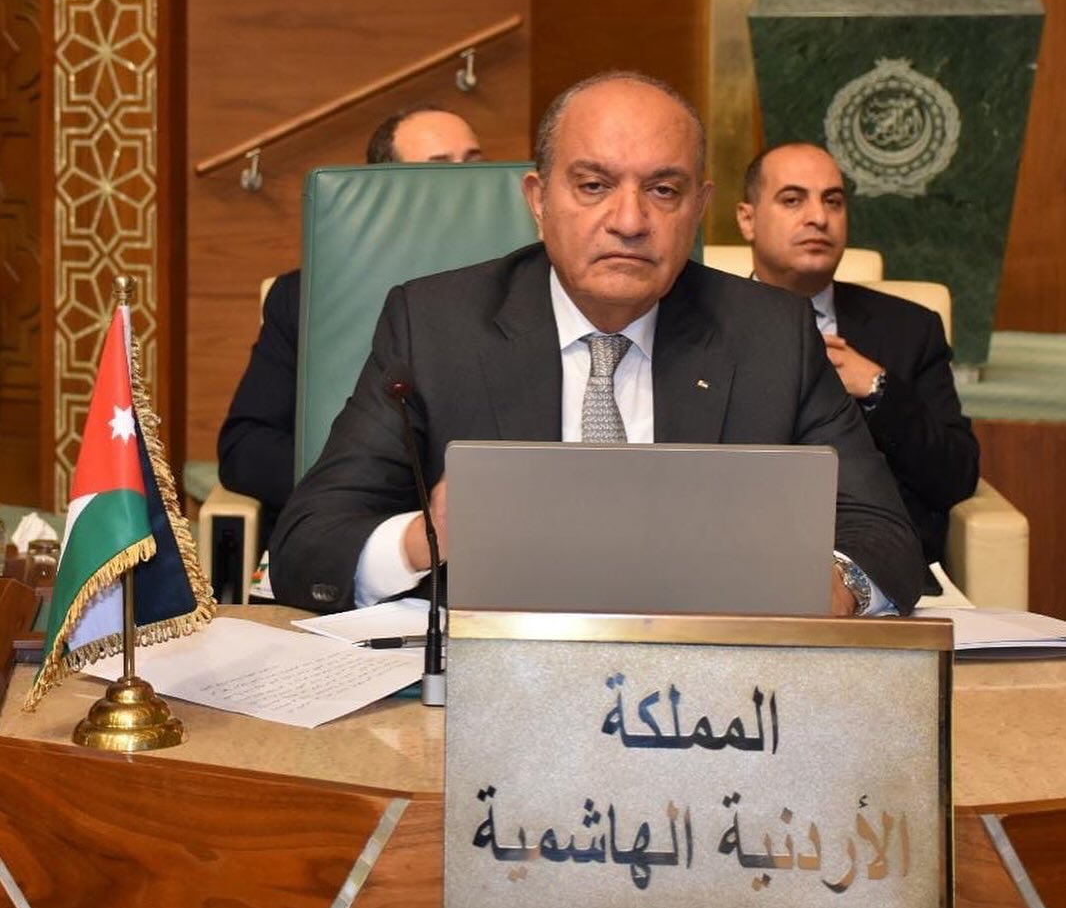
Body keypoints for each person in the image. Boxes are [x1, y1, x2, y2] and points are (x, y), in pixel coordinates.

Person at [270, 73, 924, 616]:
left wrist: (835, 587)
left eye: (663, 190)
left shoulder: (771, 335)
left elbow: (885, 533)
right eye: (593, 185)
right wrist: (427, 537)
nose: (630, 221)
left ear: (698, 208)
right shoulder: (436, 326)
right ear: (538, 199)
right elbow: (308, 544)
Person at [216, 104, 483, 547]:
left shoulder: (530, 293)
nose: (468, 185)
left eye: (475, 165)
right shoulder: (307, 297)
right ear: (384, 190)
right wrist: (370, 488)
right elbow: (246, 451)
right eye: (440, 170)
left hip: (485, 540)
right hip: (343, 538)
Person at [736, 142, 979, 570]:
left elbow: (956, 477)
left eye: (833, 201)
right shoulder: (701, 323)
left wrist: (879, 390)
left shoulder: (910, 329)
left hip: (884, 572)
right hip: (736, 563)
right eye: (793, 200)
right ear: (747, 219)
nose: (818, 217)